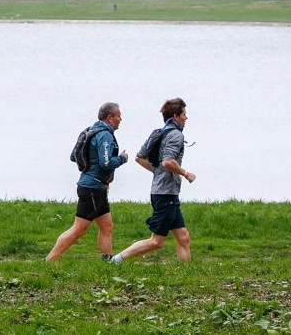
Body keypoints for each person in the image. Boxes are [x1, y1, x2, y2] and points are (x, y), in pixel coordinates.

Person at [111, 97, 195, 263]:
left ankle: (185, 271)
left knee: (183, 237)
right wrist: (185, 173)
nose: (186, 118)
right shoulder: (176, 135)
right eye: (184, 114)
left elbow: (139, 158)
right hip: (165, 194)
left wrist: (158, 173)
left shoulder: (158, 133)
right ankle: (116, 260)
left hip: (165, 193)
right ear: (176, 116)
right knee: (156, 241)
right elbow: (168, 161)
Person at [46, 102, 129, 261]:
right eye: (118, 115)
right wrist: (122, 159)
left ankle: (107, 262)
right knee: (79, 229)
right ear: (109, 118)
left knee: (107, 227)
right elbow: (105, 163)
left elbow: (73, 156)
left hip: (97, 187)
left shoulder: (90, 130)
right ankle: (49, 260)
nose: (121, 118)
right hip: (93, 188)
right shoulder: (105, 135)